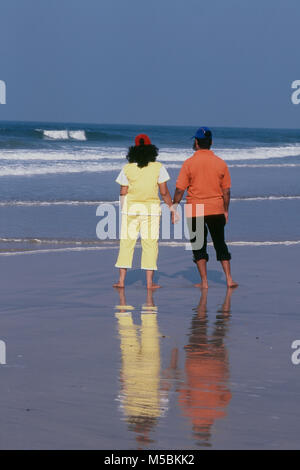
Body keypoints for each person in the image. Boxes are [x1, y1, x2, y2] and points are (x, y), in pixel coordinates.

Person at [172, 127, 238, 289]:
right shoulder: (220, 163)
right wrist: (226, 210)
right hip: (216, 208)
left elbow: (180, 189)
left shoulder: (189, 163)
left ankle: (204, 282)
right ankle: (229, 279)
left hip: (195, 210)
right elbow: (226, 191)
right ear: (211, 143)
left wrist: (174, 206)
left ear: (196, 142)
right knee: (220, 244)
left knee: (198, 246)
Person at [113, 134, 173, 289]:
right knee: (150, 244)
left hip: (131, 210)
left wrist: (123, 209)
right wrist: (172, 208)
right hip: (152, 211)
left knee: (127, 243)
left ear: (133, 150)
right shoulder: (158, 167)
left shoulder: (127, 168)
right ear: (151, 149)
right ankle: (149, 283)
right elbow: (164, 192)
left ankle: (121, 281)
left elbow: (123, 191)